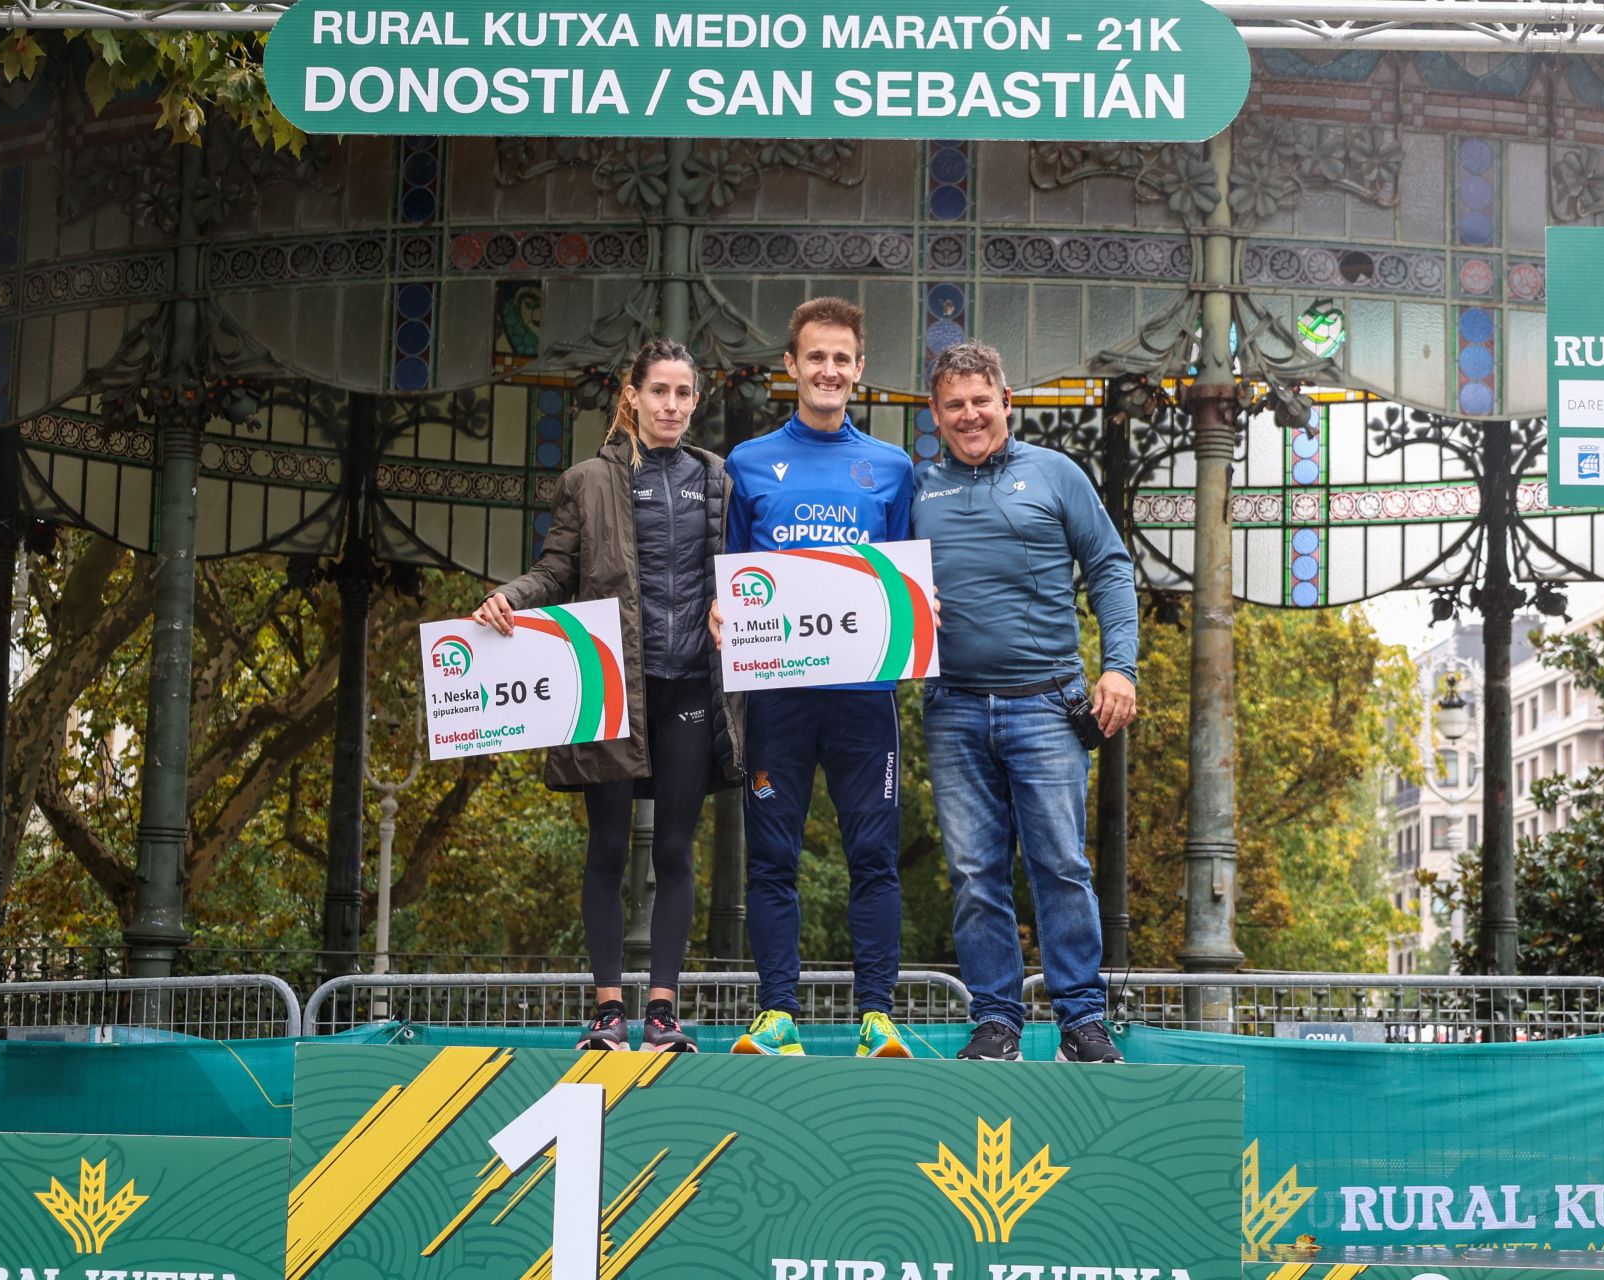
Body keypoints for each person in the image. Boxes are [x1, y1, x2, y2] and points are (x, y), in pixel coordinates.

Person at [473, 338, 742, 1054]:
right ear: (633, 395)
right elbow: (554, 571)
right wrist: (508, 599)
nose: (671, 406)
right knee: (609, 848)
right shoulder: (587, 480)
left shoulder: (718, 478)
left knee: (676, 850)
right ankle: (607, 1014)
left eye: (683, 394)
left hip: (690, 686)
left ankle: (662, 1014)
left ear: (695, 401)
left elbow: (747, 573)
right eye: (659, 392)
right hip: (612, 688)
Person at [911, 340, 1140, 1063]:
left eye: (982, 400)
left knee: (1061, 868)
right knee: (974, 875)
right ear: (935, 414)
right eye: (954, 404)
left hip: (1048, 705)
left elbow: (1109, 567)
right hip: (952, 707)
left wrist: (1121, 668)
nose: (970, 415)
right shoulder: (914, 490)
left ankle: (1081, 1022)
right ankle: (996, 1023)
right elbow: (864, 580)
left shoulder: (1056, 473)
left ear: (1006, 402)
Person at [712, 297, 916, 1059]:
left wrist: (914, 615)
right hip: (779, 696)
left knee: (875, 857)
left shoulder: (893, 468)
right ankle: (777, 1015)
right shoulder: (748, 463)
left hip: (866, 698)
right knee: (772, 858)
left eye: (841, 358)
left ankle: (877, 1017)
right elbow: (731, 571)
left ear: (860, 370)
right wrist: (721, 610)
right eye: (815, 357)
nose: (828, 370)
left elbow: (904, 580)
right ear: (790, 366)